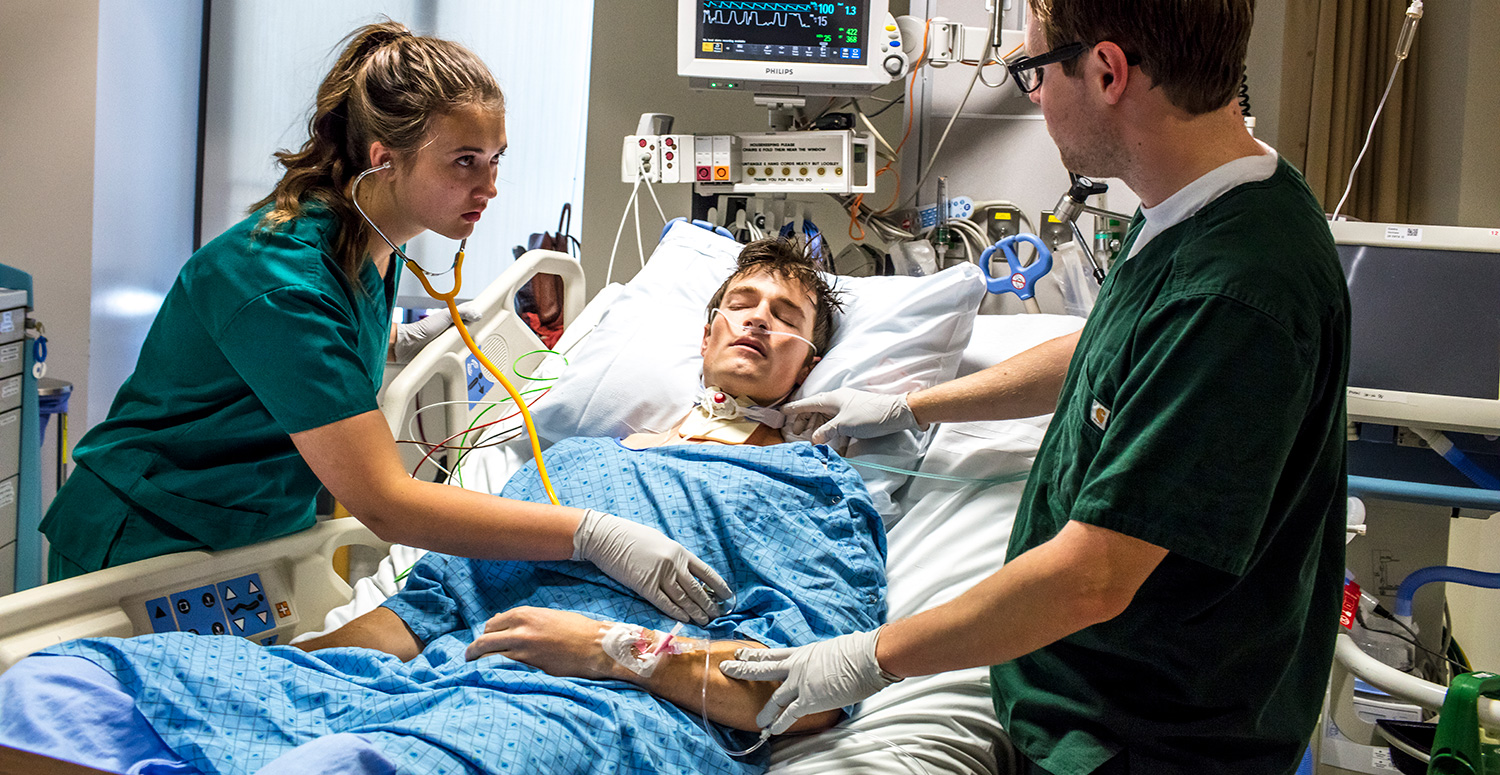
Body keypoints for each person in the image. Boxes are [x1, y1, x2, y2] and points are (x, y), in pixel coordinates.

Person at [723, 3, 1351, 774]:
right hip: (1081, 701)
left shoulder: (1236, 294)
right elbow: (1111, 347)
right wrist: (913, 403)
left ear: (1108, 72)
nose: (1032, 95)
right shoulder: (1205, 199)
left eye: (1033, 71)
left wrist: (869, 657)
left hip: (1140, 738)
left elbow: (1091, 577)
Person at [0, 239, 886, 775]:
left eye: (787, 315)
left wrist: (621, 650)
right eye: (741, 303)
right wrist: (296, 671)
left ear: (808, 364)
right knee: (70, 682)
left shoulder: (818, 490)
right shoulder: (573, 459)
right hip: (433, 679)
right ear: (703, 335)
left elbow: (809, 690)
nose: (758, 321)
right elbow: (427, 609)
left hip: (607, 710)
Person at [39, 21, 728, 627]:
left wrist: (423, 334)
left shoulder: (369, 238)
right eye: (465, 162)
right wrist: (591, 532)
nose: (489, 186)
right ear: (383, 158)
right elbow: (387, 502)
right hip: (146, 539)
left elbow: (329, 345)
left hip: (246, 533)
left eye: (495, 160)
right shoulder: (278, 278)